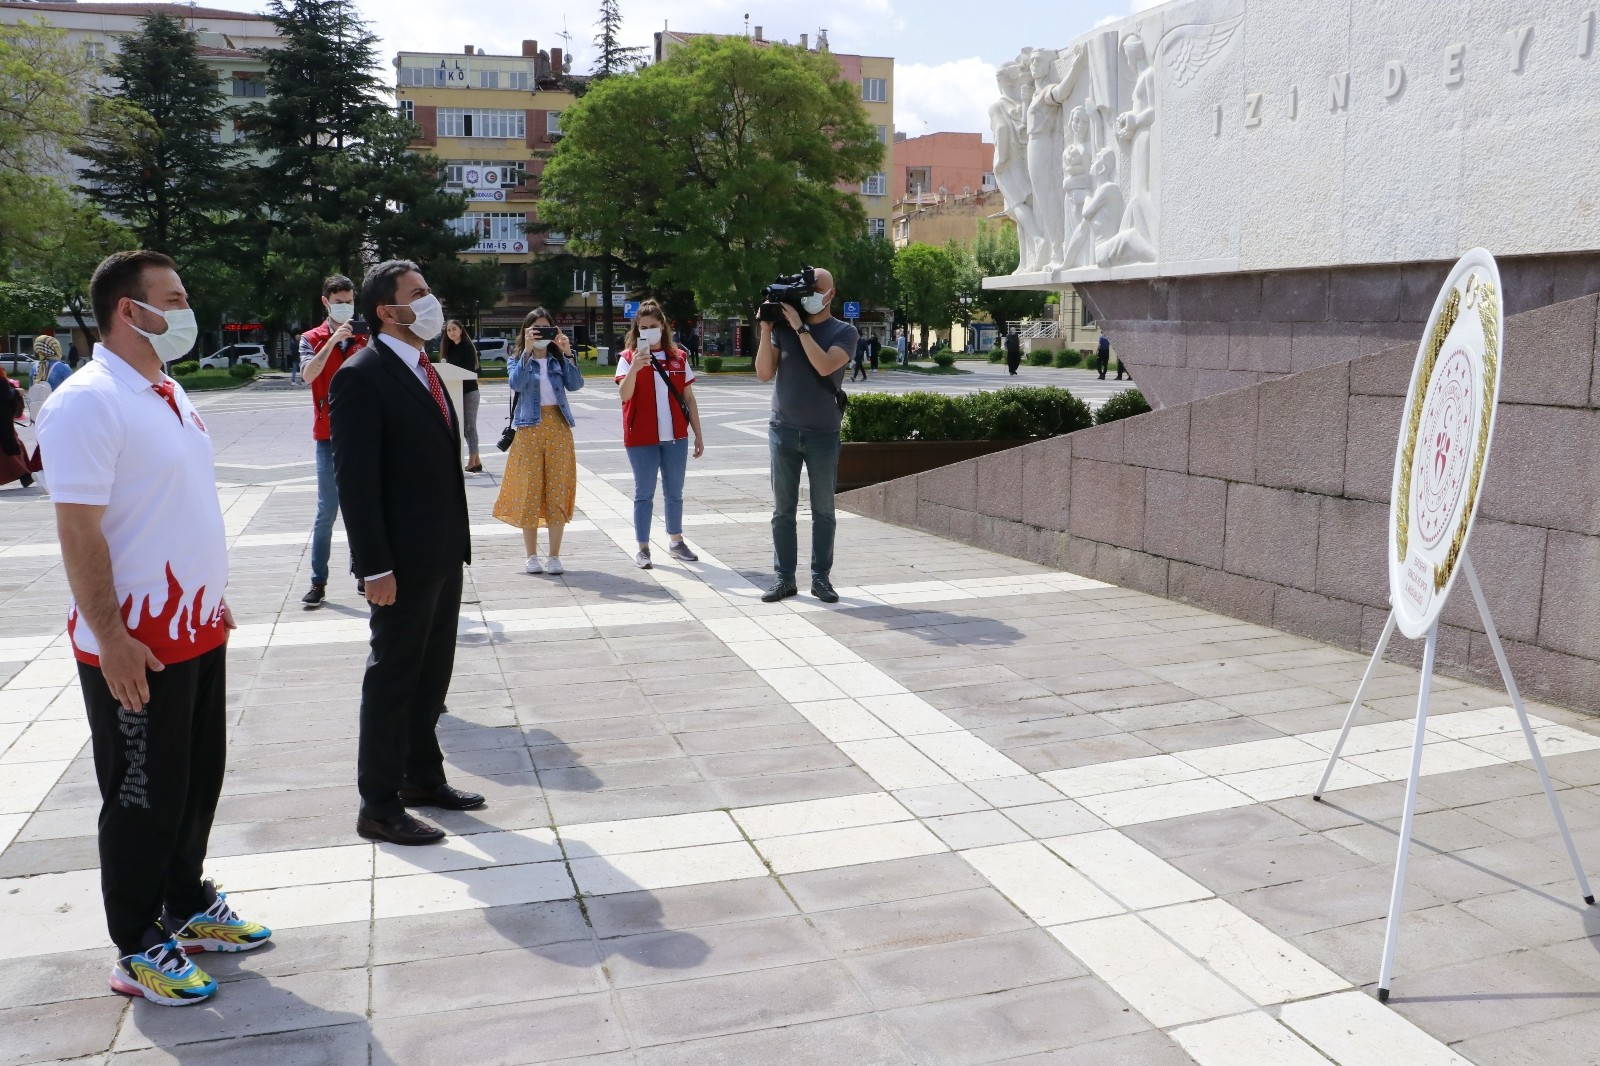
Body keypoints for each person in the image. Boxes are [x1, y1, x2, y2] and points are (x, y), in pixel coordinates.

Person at [35, 251, 271, 1006]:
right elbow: (79, 531)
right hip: (135, 642)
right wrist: (111, 637)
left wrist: (210, 595)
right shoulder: (88, 400)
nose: (188, 307)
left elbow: (172, 508)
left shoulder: (166, 392)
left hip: (194, 628)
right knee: (141, 796)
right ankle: (136, 943)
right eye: (174, 297)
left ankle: (188, 904)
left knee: (196, 781)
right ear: (129, 311)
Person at [329, 259, 478, 847]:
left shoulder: (425, 367)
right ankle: (378, 803)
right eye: (419, 294)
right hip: (399, 561)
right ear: (388, 311)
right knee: (393, 676)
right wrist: (375, 566)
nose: (431, 300)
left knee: (430, 674)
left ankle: (422, 776)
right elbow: (355, 482)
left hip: (440, 552)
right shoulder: (361, 375)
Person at [755, 267, 856, 604]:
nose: (810, 293)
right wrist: (767, 328)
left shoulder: (845, 331)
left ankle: (820, 579)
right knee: (782, 511)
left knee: (823, 510)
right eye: (807, 288)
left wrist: (800, 328)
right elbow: (764, 373)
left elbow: (825, 366)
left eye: (817, 289)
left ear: (831, 295)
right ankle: (784, 578)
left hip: (823, 434)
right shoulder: (782, 331)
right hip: (783, 430)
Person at [493, 307, 584, 576]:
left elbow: (576, 384)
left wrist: (567, 352)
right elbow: (516, 383)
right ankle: (531, 555)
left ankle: (554, 556)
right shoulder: (518, 359)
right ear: (527, 332)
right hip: (528, 430)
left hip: (558, 428)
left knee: (556, 490)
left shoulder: (558, 360)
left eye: (546, 329)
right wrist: (527, 351)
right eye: (536, 329)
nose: (542, 334)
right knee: (530, 491)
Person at [616, 299, 704, 569]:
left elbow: (689, 398)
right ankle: (643, 547)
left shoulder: (678, 357)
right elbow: (624, 395)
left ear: (662, 326)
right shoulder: (627, 358)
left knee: (674, 491)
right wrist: (635, 367)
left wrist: (698, 435)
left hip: (676, 436)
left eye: (653, 326)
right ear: (637, 328)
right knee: (644, 492)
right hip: (641, 437)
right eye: (643, 327)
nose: (649, 331)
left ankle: (676, 541)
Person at [298, 275, 368, 609]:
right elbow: (308, 374)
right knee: (327, 510)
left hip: (362, 433)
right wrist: (331, 341)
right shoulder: (310, 338)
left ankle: (365, 572)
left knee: (363, 506)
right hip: (328, 437)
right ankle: (318, 581)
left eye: (349, 300)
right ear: (326, 302)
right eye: (339, 301)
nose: (346, 306)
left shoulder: (366, 337)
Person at [440, 320, 483, 473]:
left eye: (454, 329)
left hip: (470, 391)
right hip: (456, 392)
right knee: (464, 428)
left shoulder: (466, 347)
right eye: (448, 330)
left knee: (469, 427)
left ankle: (472, 461)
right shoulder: (450, 349)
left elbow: (467, 370)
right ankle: (476, 461)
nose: (451, 332)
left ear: (461, 330)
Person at [1, 366, 36, 489]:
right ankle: (25, 475)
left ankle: (25, 475)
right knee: (11, 448)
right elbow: (4, 393)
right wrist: (16, 392)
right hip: (3, 423)